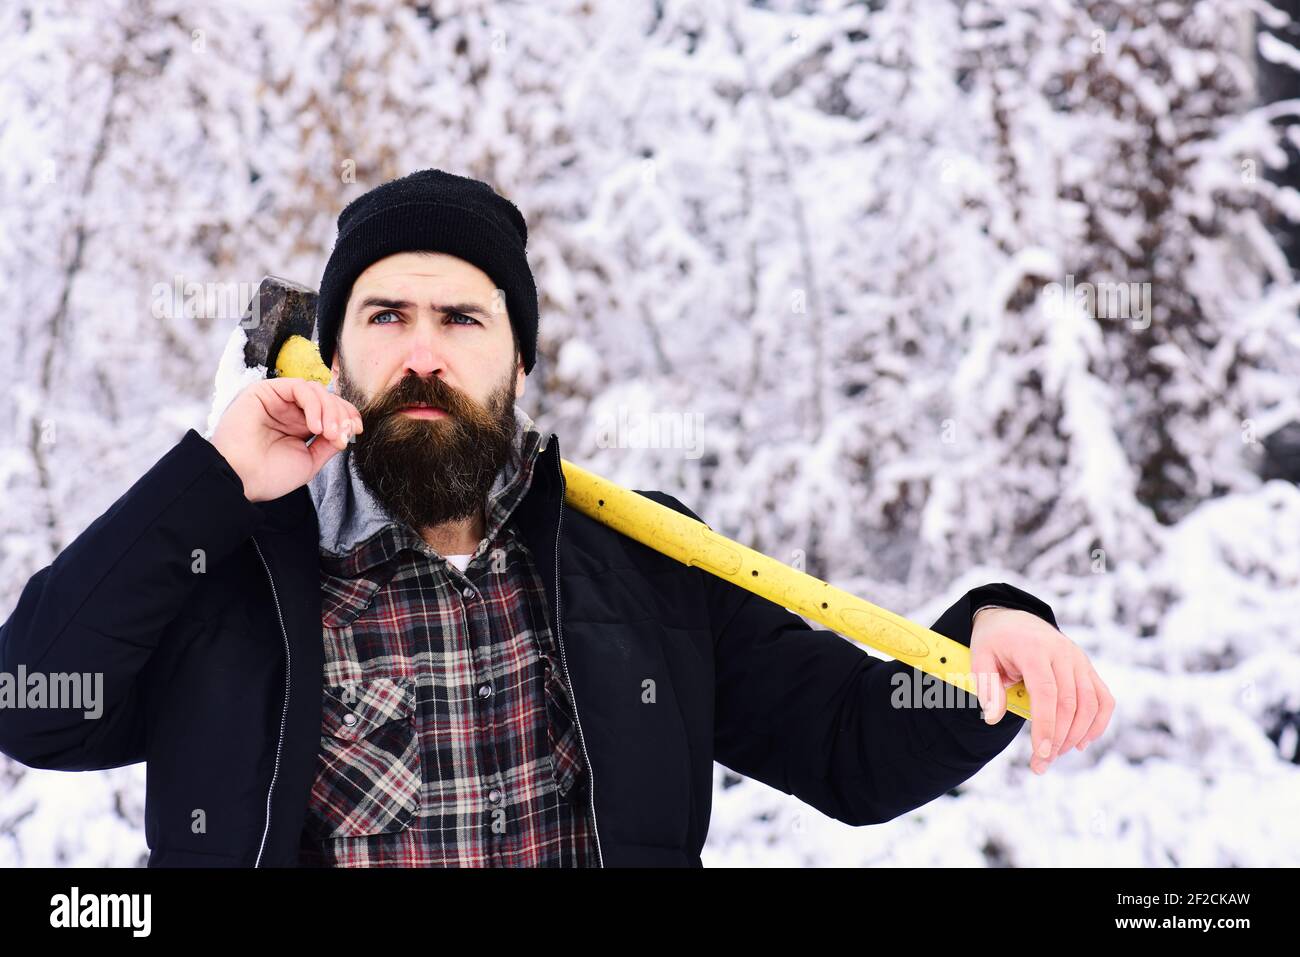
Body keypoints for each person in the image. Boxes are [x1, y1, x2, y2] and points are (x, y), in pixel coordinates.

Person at [0, 169, 1113, 867]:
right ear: (334, 356)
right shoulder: (230, 569)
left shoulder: (642, 564)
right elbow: (33, 702)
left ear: (518, 360)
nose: (423, 353)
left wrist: (991, 631)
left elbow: (852, 751)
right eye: (385, 317)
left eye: (462, 319)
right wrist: (210, 478)